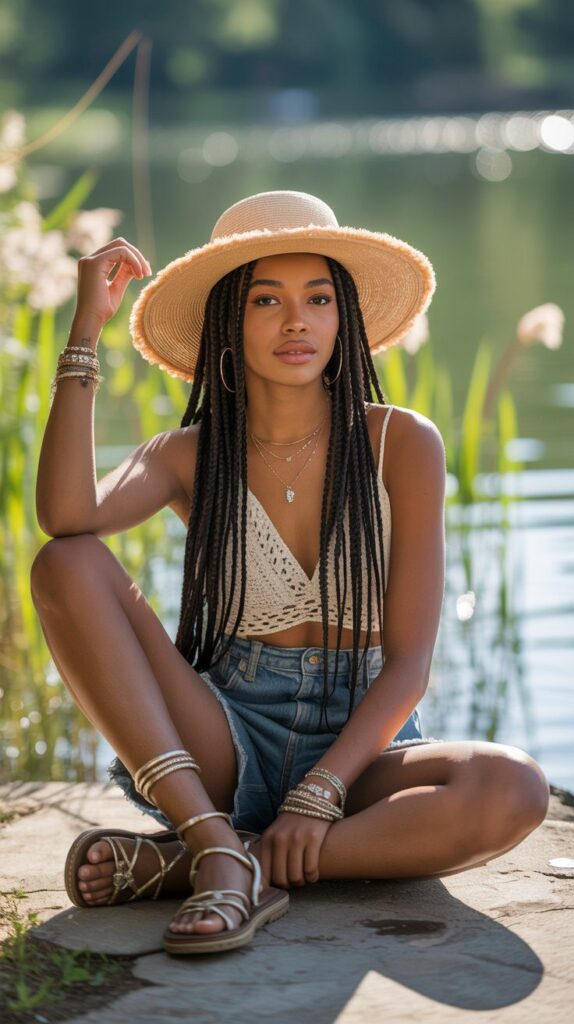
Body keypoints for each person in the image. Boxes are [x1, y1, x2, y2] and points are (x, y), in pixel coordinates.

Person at [31, 190, 550, 956]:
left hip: (365, 747)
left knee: (515, 789)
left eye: (318, 298)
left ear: (346, 318)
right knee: (63, 563)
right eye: (266, 299)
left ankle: (215, 865)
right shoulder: (187, 453)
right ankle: (211, 837)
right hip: (224, 736)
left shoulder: (402, 442)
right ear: (227, 325)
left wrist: (323, 789)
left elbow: (408, 666)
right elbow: (65, 516)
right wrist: (86, 332)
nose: (296, 321)